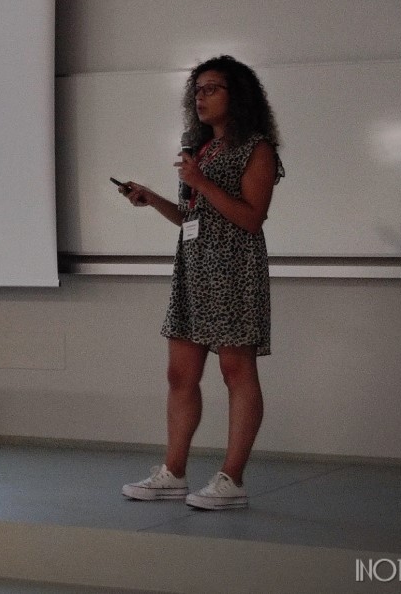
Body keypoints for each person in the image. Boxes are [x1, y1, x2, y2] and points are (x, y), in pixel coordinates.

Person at [119, 55, 284, 510]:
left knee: (236, 372)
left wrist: (200, 181)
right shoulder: (202, 148)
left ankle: (232, 478)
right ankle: (173, 473)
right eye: (197, 90)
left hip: (234, 272)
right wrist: (152, 198)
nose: (200, 98)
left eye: (211, 89)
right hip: (193, 270)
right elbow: (192, 217)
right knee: (180, 374)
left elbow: (250, 218)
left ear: (237, 95)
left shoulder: (256, 149)